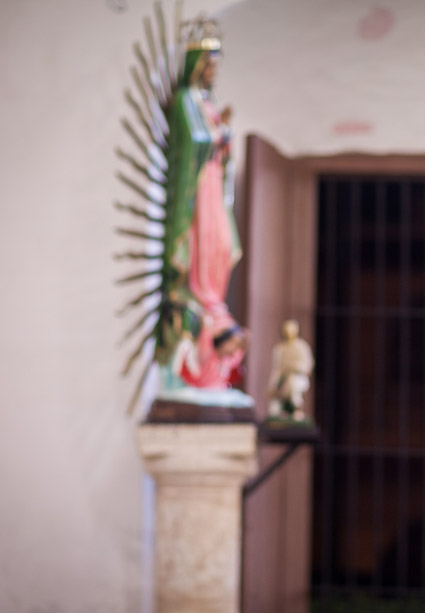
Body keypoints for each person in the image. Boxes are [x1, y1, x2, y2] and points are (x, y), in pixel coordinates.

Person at [157, 16, 248, 399]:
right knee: (202, 242)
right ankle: (198, 294)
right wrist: (217, 134)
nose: (212, 71)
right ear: (195, 64)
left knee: (221, 246)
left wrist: (223, 134)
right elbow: (191, 140)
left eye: (215, 65)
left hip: (212, 185)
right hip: (196, 189)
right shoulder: (185, 100)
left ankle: (210, 296)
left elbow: (213, 143)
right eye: (208, 64)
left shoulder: (206, 102)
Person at [266, 319, 315, 420]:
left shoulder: (301, 347)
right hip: (282, 378)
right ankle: (277, 414)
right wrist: (272, 385)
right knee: (275, 395)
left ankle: (297, 409)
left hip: (297, 377)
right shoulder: (280, 348)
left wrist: (293, 366)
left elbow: (307, 366)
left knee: (293, 383)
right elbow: (277, 368)